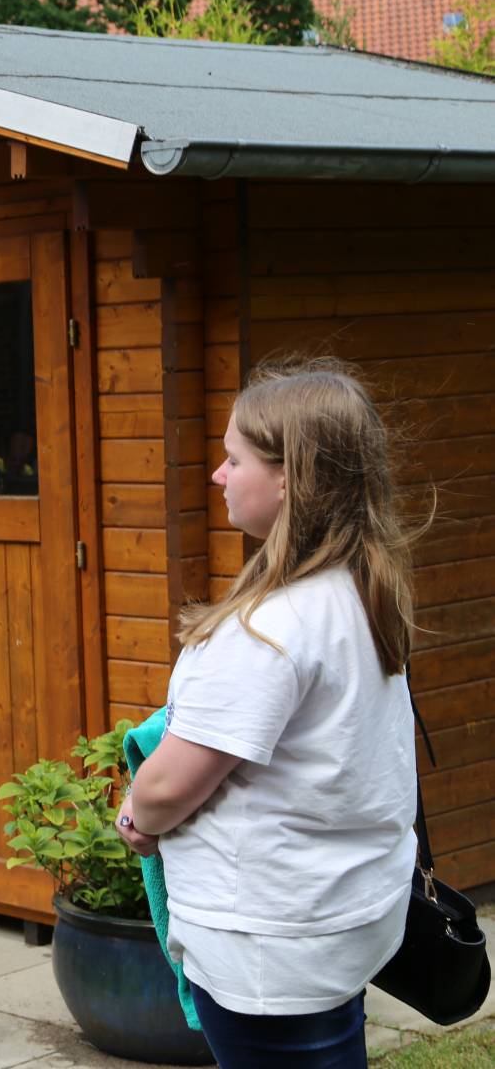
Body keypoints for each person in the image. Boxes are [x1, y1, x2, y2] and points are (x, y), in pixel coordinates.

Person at [114, 360, 417, 1068]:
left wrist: (136, 818)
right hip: (338, 918)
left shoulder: (268, 629)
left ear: (290, 479)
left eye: (233, 458)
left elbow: (167, 786)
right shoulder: (361, 590)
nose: (218, 475)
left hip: (269, 944)